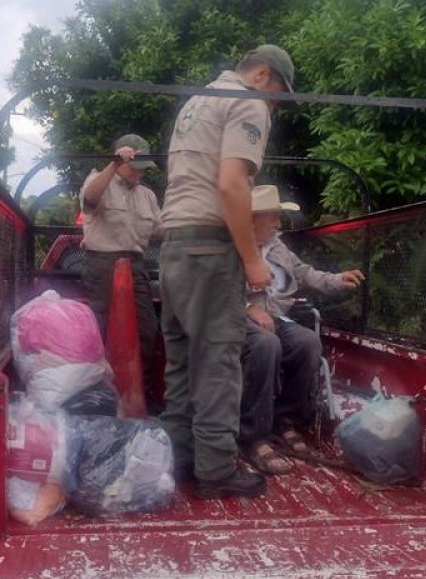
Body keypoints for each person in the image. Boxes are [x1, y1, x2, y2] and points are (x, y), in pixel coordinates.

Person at [159, 45, 296, 499]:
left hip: (174, 247)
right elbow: (232, 183)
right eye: (278, 95)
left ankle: (179, 458)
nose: (274, 106)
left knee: (182, 362)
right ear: (262, 75)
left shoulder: (196, 101)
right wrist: (253, 260)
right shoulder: (249, 101)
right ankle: (215, 470)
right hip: (208, 248)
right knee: (218, 361)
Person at [239, 185, 365, 475]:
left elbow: (304, 273)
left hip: (275, 318)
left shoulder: (278, 246)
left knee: (307, 342)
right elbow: (219, 291)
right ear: (253, 219)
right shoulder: (234, 245)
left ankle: (286, 421)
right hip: (238, 315)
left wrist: (336, 279)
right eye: (272, 217)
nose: (278, 224)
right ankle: (253, 436)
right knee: (265, 344)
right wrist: (249, 309)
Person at [79, 133, 162, 409]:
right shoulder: (98, 180)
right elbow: (89, 200)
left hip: (135, 265)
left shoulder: (147, 195)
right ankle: (100, 397)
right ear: (122, 160)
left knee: (147, 330)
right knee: (102, 329)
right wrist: (113, 165)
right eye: (136, 166)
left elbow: (162, 230)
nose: (140, 173)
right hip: (102, 263)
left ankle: (140, 395)